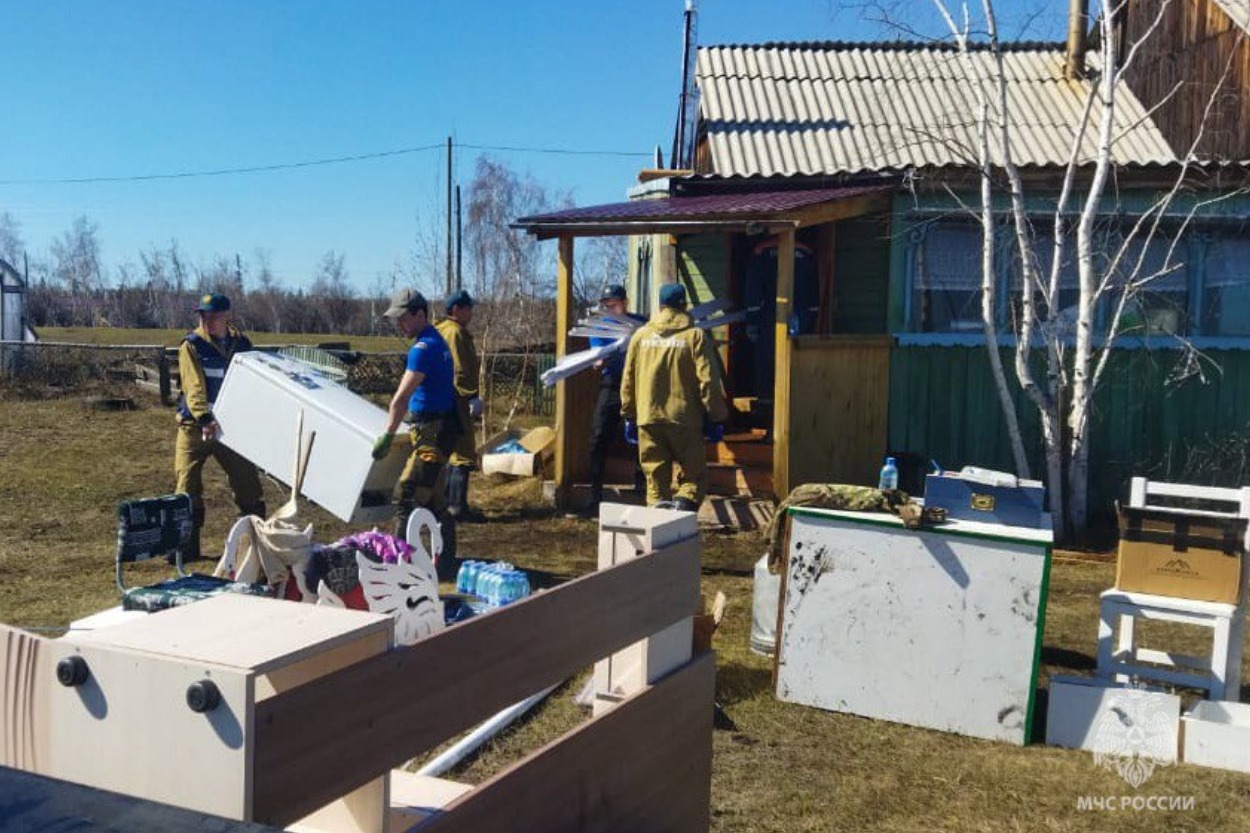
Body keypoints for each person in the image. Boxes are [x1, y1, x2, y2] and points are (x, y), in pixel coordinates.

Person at [371, 288, 459, 579]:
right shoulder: (437, 341)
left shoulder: (423, 349)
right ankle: (444, 565)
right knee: (435, 501)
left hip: (432, 433)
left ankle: (399, 568)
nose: (400, 325)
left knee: (406, 495)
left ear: (420, 314)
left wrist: (387, 434)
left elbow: (401, 396)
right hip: (437, 429)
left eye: (404, 318)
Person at [620, 282, 728, 512]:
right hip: (685, 421)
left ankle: (658, 538)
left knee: (655, 484)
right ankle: (680, 520)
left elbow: (628, 380)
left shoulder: (640, 336)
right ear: (685, 305)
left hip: (648, 420)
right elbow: (708, 381)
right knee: (693, 481)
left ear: (661, 305)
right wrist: (716, 417)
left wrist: (629, 415)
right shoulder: (695, 336)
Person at [174, 292, 266, 561]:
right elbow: (193, 387)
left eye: (213, 316)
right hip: (195, 426)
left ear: (227, 316)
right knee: (186, 485)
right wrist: (204, 418)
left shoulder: (243, 344)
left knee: (248, 484)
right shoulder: (191, 345)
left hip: (231, 428)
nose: (207, 321)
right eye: (203, 315)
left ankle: (253, 546)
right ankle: (186, 549)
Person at [586, 284, 646, 513]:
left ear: (624, 302)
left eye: (614, 303)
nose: (610, 308)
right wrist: (599, 360)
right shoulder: (600, 327)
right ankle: (595, 493)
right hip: (612, 385)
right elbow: (596, 354)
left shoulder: (640, 323)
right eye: (607, 304)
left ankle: (642, 486)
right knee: (598, 436)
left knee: (643, 434)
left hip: (639, 385)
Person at [435, 289, 483, 521]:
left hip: (444, 399)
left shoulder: (442, 330)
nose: (471, 313)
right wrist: (472, 395)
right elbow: (461, 370)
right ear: (456, 310)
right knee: (463, 453)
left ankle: (446, 503)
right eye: (467, 308)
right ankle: (456, 507)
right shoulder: (455, 333)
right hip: (458, 399)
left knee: (449, 452)